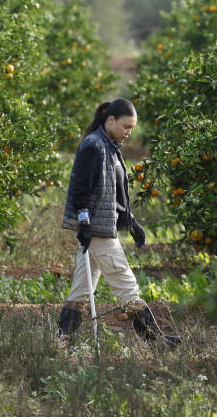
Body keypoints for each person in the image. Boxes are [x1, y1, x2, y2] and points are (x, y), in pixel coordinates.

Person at [57, 98, 182, 347]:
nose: (129, 132)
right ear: (110, 120)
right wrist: (83, 223)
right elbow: (81, 190)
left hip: (103, 226)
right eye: (126, 126)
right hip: (98, 231)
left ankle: (58, 344)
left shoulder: (110, 146)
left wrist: (131, 222)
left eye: (132, 128)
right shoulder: (94, 146)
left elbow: (114, 194)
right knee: (127, 284)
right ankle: (156, 342)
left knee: (81, 291)